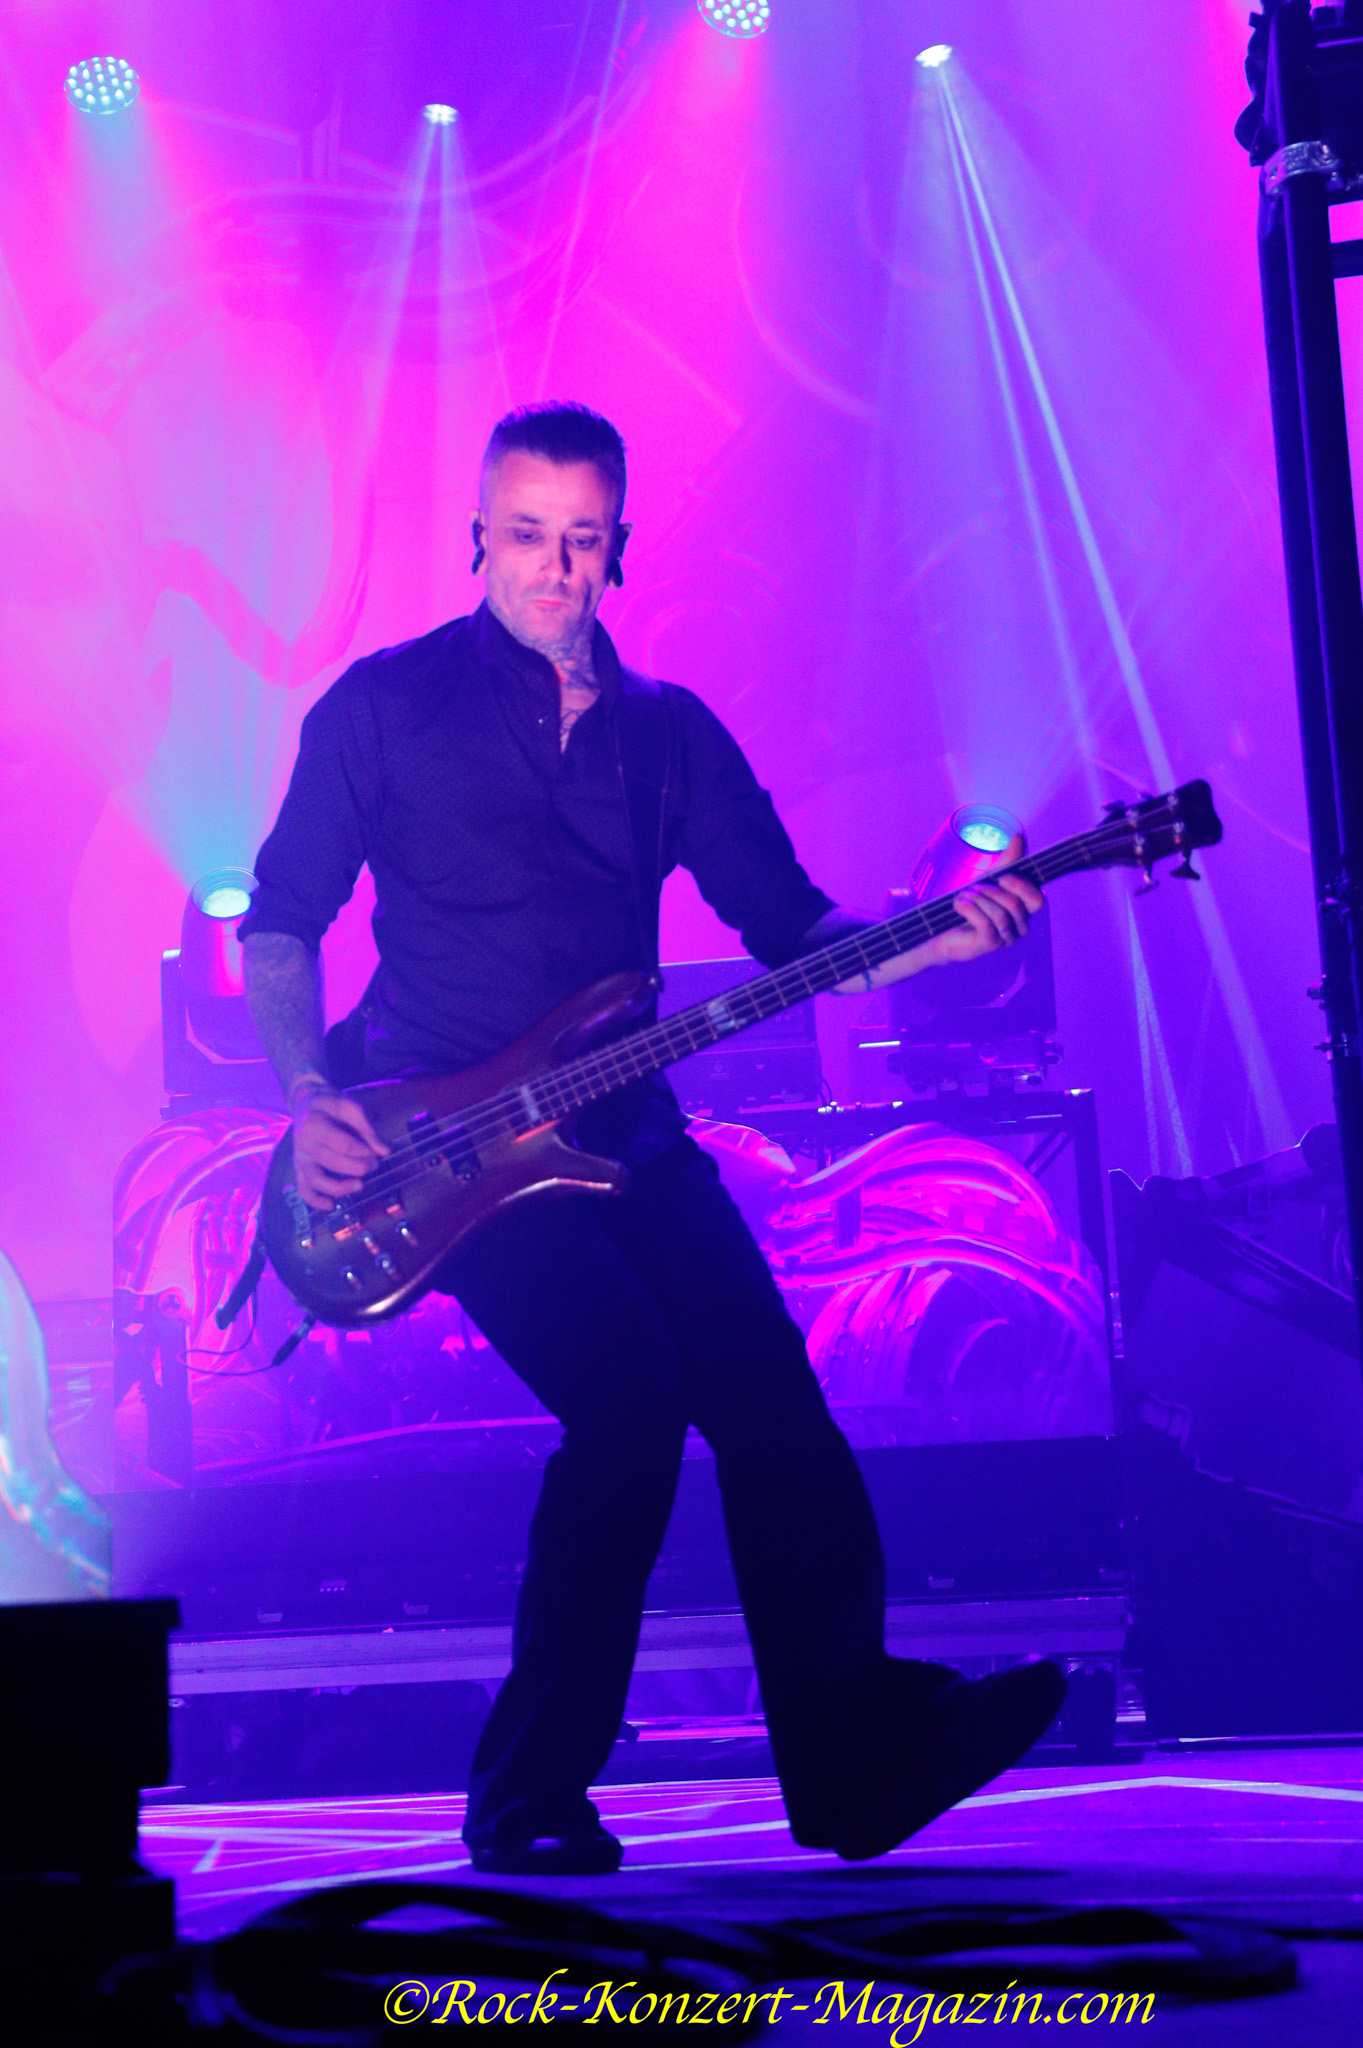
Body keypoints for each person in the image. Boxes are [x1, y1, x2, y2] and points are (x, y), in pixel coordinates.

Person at [239, 402, 1065, 1875]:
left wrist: (934, 942)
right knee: (628, 1398)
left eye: (582, 539)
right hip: (451, 1151)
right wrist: (311, 1096)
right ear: (476, 537)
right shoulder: (382, 707)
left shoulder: (668, 738)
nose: (553, 569)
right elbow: (284, 920)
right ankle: (528, 1795)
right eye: (526, 536)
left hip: (628, 1130)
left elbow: (793, 927)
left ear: (619, 547)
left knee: (768, 1395)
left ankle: (858, 1762)